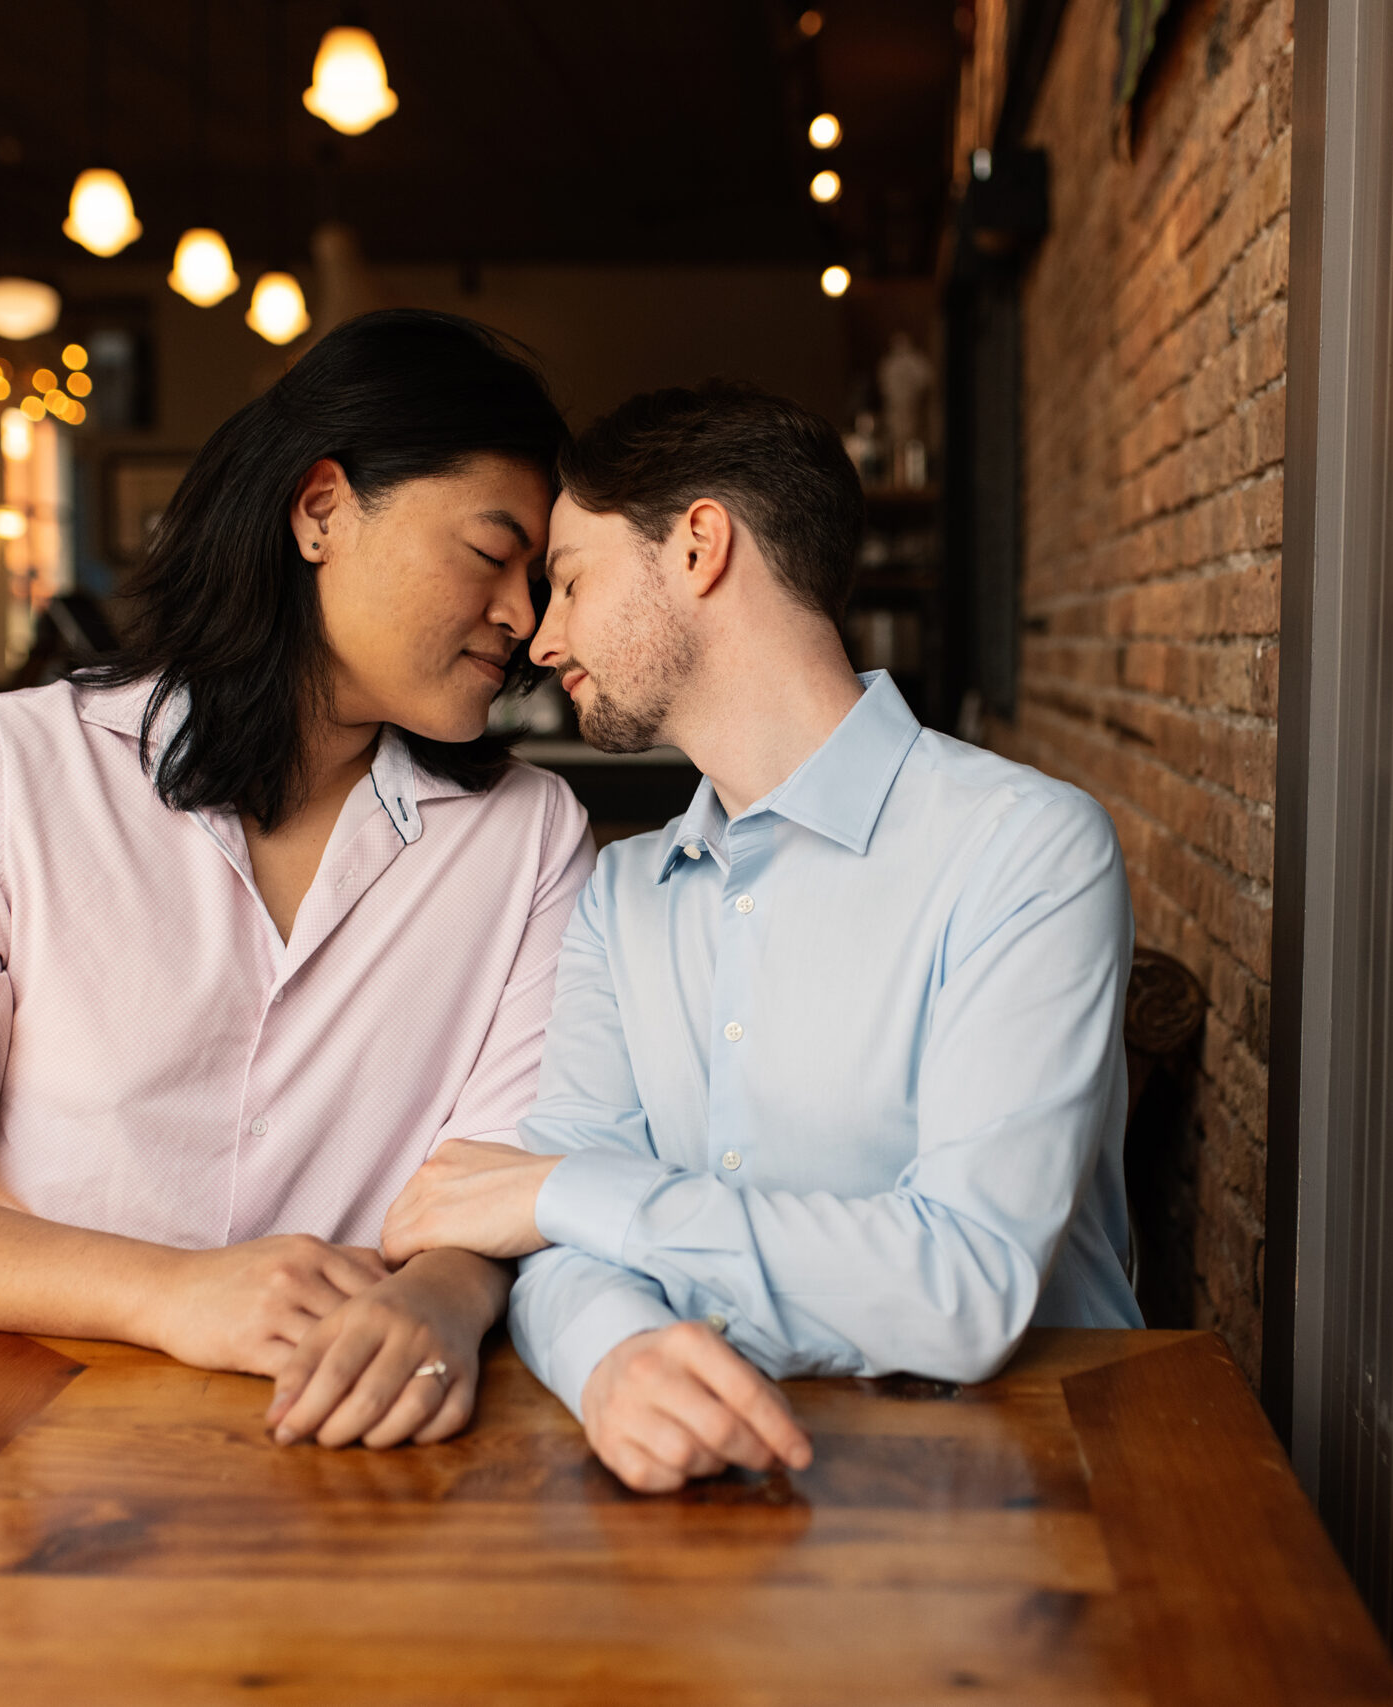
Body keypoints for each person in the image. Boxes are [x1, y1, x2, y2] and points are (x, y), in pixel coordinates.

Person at [0, 310, 593, 1450]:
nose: (527, 620)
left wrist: (442, 1295)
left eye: (542, 580)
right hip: (20, 1430)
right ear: (320, 512)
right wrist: (169, 1293)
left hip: (358, 1435)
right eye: (491, 555)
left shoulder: (527, 837)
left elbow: (502, 1178)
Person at [380, 381, 1140, 1492]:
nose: (540, 638)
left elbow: (964, 1287)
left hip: (1018, 1499)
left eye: (571, 581)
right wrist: (610, 1357)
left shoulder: (1025, 849)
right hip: (699, 1498)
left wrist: (561, 1192)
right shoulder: (621, 894)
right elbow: (551, 1246)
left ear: (697, 549)